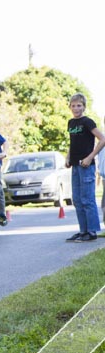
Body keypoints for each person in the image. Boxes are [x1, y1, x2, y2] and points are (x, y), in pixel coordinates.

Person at [65, 93, 105, 242]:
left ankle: (92, 232)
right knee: (77, 199)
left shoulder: (87, 122)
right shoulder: (71, 123)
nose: (76, 108)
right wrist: (68, 157)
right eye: (73, 106)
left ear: (84, 107)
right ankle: (83, 231)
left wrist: (90, 157)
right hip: (75, 166)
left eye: (79, 105)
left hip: (86, 166)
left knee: (87, 199)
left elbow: (102, 139)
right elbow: (72, 143)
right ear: (70, 107)